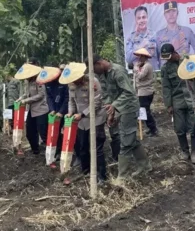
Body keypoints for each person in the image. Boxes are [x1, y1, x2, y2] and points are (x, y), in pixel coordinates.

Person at [91, 54, 150, 182]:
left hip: (129, 107)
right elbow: (106, 95)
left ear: (99, 63)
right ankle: (145, 165)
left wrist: (114, 106)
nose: (94, 73)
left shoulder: (118, 71)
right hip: (118, 109)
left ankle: (122, 177)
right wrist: (111, 112)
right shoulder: (102, 75)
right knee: (131, 138)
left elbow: (129, 93)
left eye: (94, 69)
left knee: (126, 141)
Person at [60, 62, 108, 184]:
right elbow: (71, 101)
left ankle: (102, 176)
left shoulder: (93, 82)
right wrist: (70, 112)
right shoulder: (71, 85)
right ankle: (86, 171)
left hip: (95, 118)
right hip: (81, 121)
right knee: (82, 147)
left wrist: (82, 114)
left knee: (96, 148)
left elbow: (97, 103)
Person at [161, 43, 195, 162]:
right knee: (180, 128)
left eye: (169, 56)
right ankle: (184, 151)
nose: (168, 59)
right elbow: (166, 87)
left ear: (174, 53)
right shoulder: (165, 68)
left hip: (192, 98)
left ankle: (194, 152)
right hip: (177, 100)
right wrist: (168, 104)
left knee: (193, 127)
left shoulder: (187, 61)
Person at [156, 1, 195, 66]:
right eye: (168, 12)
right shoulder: (159, 35)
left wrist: (194, 63)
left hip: (184, 68)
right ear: (164, 15)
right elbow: (157, 56)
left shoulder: (187, 31)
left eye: (173, 11)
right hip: (167, 71)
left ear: (177, 13)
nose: (171, 14)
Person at [15, 63, 48, 155]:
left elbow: (41, 95)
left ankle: (50, 152)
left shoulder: (40, 80)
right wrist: (20, 98)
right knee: (29, 132)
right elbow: (26, 93)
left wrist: (26, 101)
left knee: (43, 132)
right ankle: (35, 150)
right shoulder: (28, 82)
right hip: (32, 110)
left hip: (41, 110)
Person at [38, 65, 67, 162]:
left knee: (64, 131)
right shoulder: (47, 83)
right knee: (54, 131)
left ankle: (64, 151)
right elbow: (49, 97)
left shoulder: (64, 81)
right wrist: (52, 109)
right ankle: (56, 151)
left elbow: (67, 99)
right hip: (54, 110)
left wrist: (61, 112)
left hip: (64, 110)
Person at [133, 48, 158, 137]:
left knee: (145, 111)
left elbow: (140, 76)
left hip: (146, 91)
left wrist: (136, 68)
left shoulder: (147, 66)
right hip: (142, 91)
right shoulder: (142, 66)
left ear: (144, 57)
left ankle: (153, 129)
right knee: (145, 110)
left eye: (140, 56)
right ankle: (151, 128)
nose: (139, 58)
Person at [125, 6, 158, 70]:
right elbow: (128, 59)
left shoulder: (154, 35)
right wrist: (140, 47)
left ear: (147, 18)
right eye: (139, 18)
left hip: (154, 73)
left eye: (144, 17)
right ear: (135, 20)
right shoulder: (131, 38)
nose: (141, 20)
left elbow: (160, 57)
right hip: (139, 75)